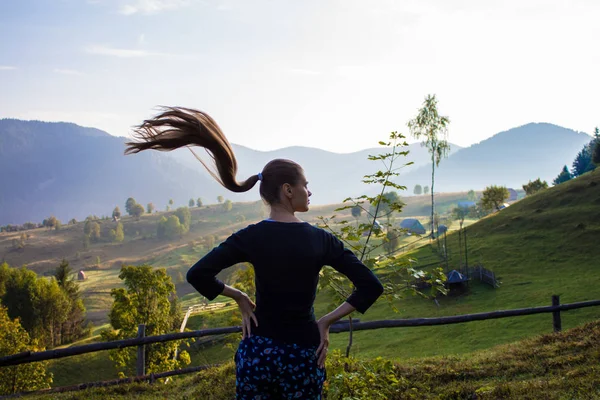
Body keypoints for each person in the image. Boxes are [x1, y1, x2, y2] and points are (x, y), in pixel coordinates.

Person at [125, 107, 384, 399]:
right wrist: (324, 323)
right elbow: (371, 286)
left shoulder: (251, 236)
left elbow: (198, 274)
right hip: (302, 356)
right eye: (305, 186)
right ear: (288, 190)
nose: (309, 192)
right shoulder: (321, 240)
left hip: (257, 355)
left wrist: (238, 296)